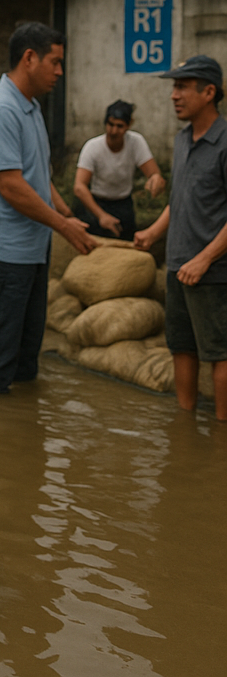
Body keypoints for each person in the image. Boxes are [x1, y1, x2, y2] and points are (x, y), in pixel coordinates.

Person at [0, 21, 95, 394]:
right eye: (55, 62)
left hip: (31, 250)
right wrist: (64, 226)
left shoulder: (30, 107)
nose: (60, 72)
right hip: (4, 254)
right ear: (29, 58)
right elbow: (11, 186)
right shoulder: (0, 111)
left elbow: (37, 176)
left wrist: (67, 215)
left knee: (26, 355)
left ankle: (25, 419)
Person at [134, 54, 227, 421]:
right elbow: (180, 198)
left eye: (183, 87)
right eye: (174, 87)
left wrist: (205, 259)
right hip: (177, 265)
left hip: (213, 273)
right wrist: (153, 232)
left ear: (209, 92)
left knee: (219, 352)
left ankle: (220, 434)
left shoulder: (224, 142)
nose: (174, 95)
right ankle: (184, 428)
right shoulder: (183, 139)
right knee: (182, 348)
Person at [72, 99, 165, 239]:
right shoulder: (93, 147)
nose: (114, 131)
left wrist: (155, 180)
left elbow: (153, 173)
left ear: (129, 125)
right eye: (110, 125)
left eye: (120, 126)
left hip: (123, 204)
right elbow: (79, 187)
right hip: (96, 203)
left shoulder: (136, 143)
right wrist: (101, 215)